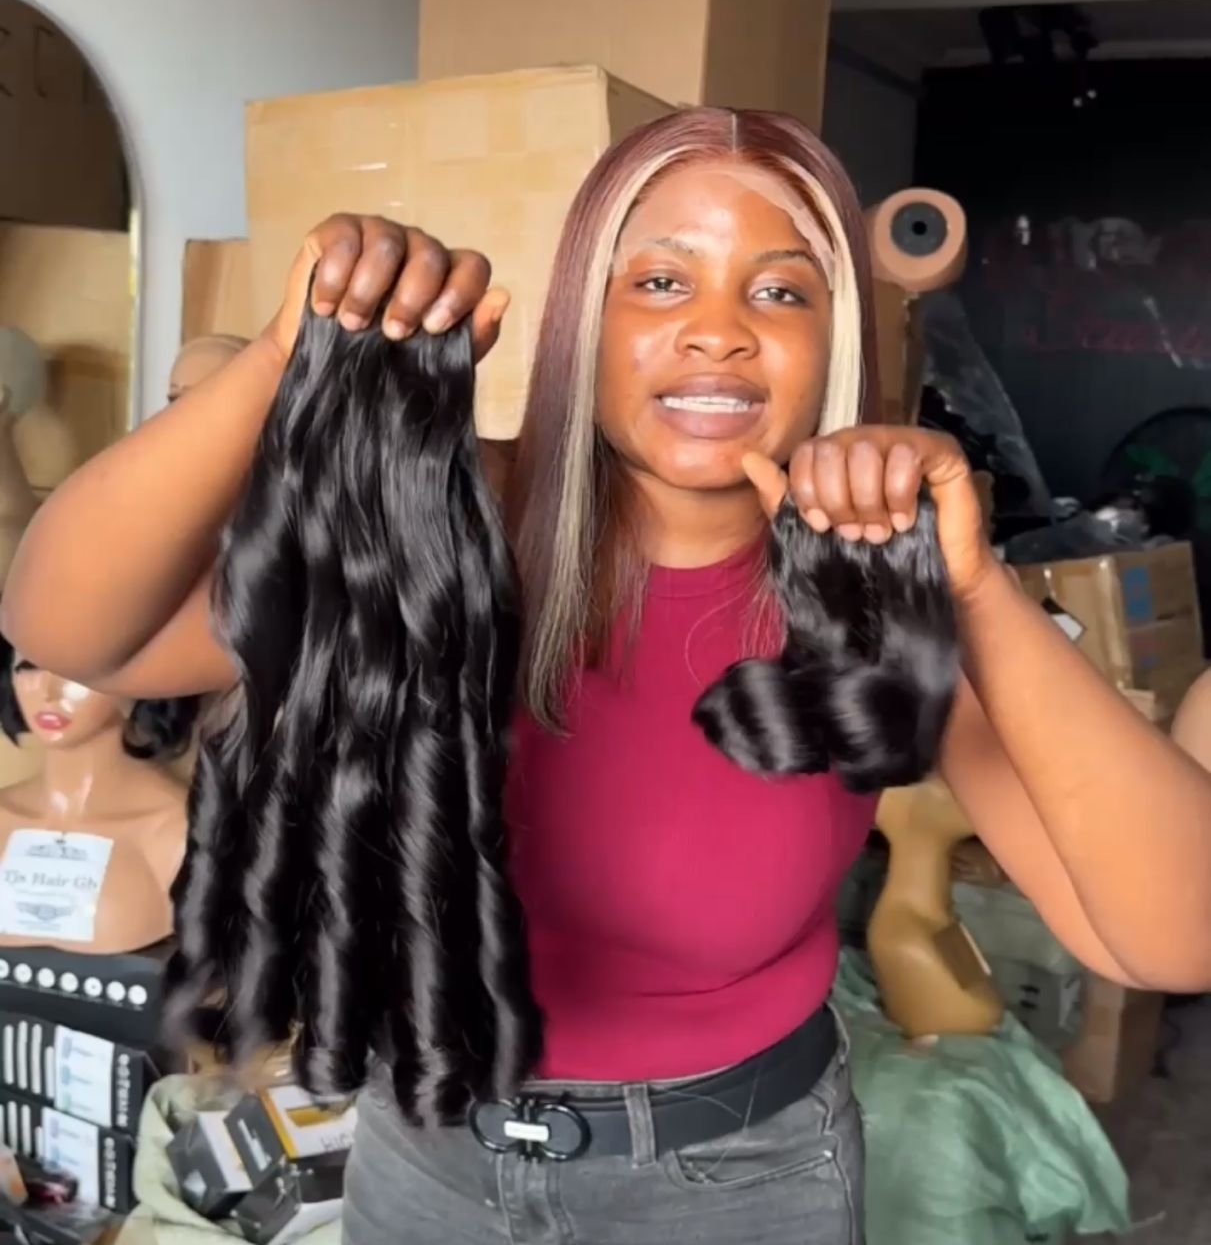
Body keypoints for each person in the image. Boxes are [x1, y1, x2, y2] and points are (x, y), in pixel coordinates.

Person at [5, 108, 1211, 1245]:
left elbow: (1172, 938)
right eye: (661, 280)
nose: (717, 329)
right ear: (585, 316)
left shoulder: (871, 587)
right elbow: (69, 625)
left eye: (779, 289)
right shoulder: (440, 525)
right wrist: (287, 353)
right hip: (428, 1157)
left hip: (737, 1182)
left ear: (832, 344)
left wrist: (972, 589)